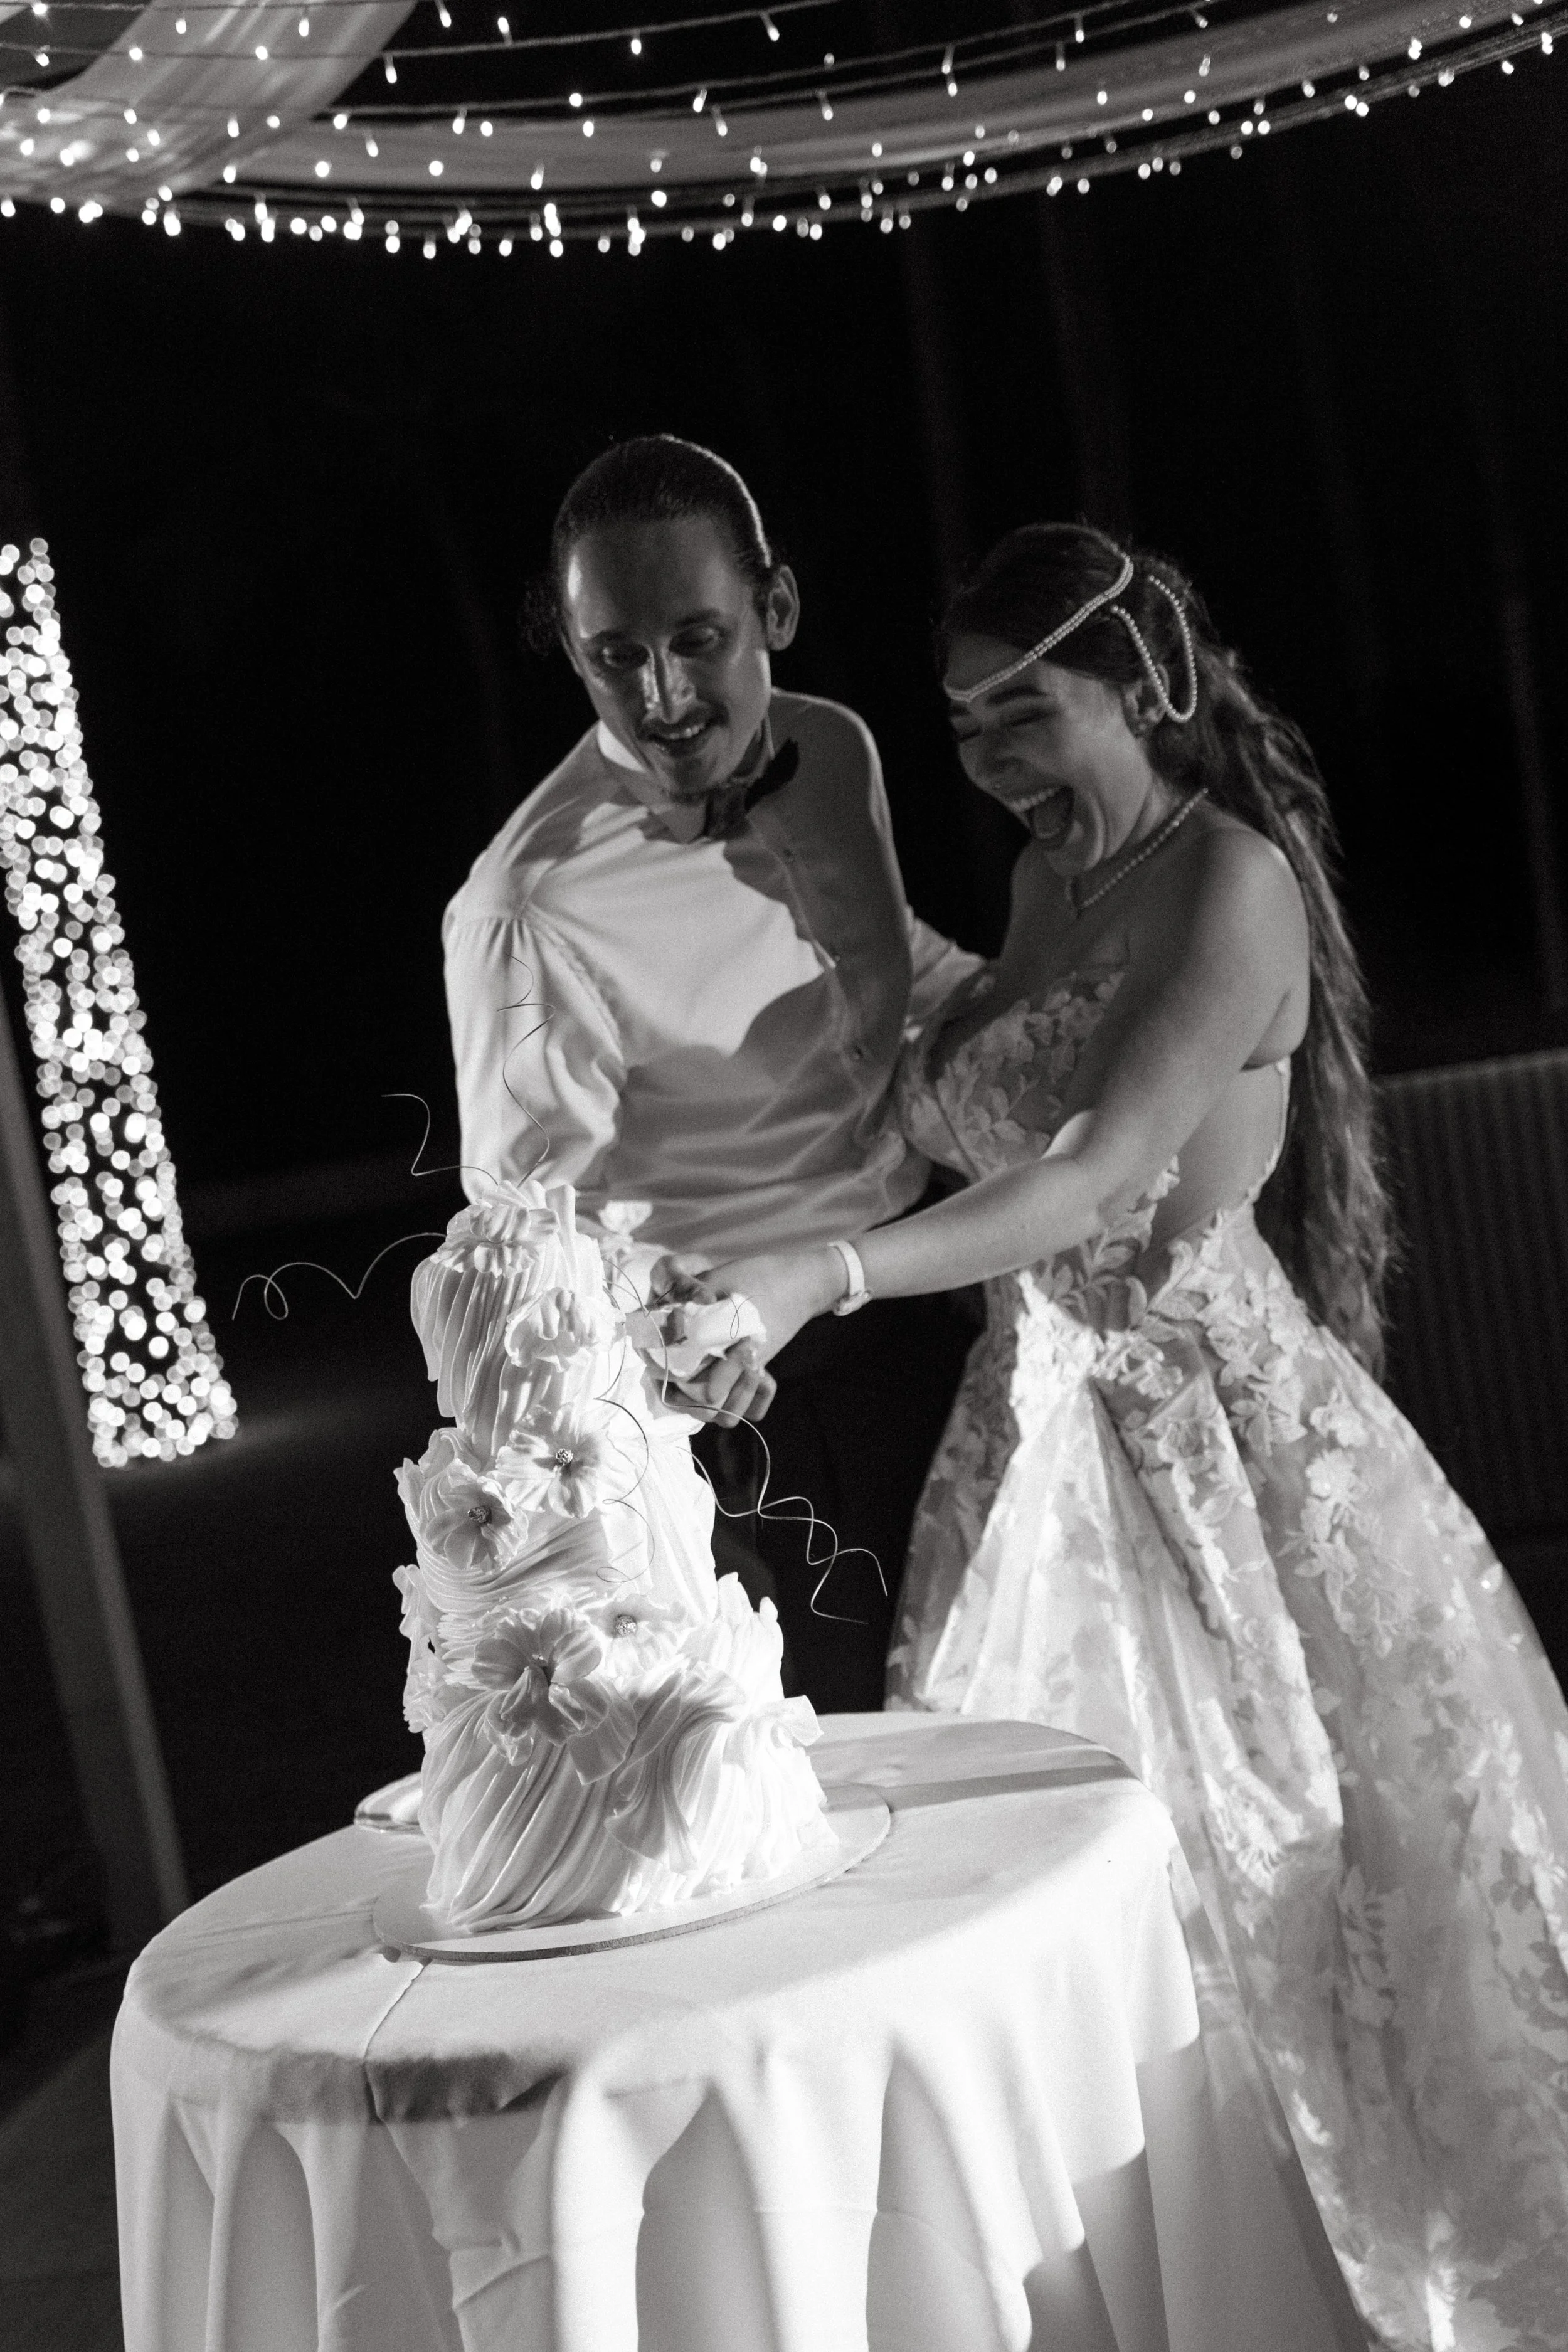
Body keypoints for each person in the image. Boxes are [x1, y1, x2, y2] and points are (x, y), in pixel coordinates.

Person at [696, 523, 1568, 2351]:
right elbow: (986, 1062)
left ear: (1144, 685)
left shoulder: (1225, 880)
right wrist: (814, 892)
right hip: (1034, 1444)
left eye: (1026, 709)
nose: (993, 752)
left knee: (1262, 1884)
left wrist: (820, 1272)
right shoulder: (1042, 883)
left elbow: (1093, 1172)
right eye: (961, 721)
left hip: (1212, 1458)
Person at [442, 434, 978, 1713]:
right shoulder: (528, 903)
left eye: (697, 639)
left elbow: (886, 964)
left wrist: (1069, 1011)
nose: (663, 694)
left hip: (927, 1303)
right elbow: (524, 1233)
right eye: (613, 657)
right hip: (756, 1398)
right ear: (572, 655)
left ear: (773, 608)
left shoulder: (836, 750)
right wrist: (672, 1330)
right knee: (865, 1763)